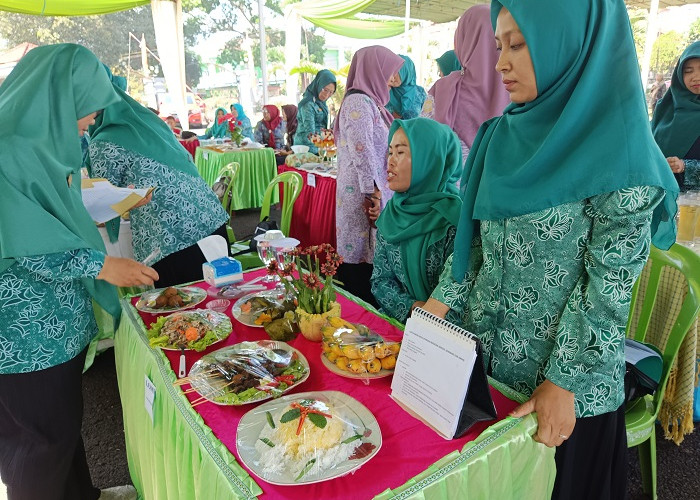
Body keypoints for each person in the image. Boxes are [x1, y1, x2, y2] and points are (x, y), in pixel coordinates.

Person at [421, 2, 678, 499]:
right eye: (499, 46)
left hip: (561, 397)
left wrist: (565, 381)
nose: (501, 63)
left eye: (519, 44)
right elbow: (472, 248)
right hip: (485, 374)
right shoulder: (500, 138)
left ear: (572, 44)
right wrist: (433, 311)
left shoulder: (620, 153)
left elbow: (608, 288)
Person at [0, 43, 158, 500]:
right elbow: (21, 239)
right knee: (37, 441)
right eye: (88, 108)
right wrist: (103, 265)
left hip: (53, 325)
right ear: (58, 97)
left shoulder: (40, 145)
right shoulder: (8, 149)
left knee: (61, 426)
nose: (92, 120)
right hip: (25, 336)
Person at [85, 74, 229, 288]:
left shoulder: (104, 142)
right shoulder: (151, 125)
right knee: (218, 300)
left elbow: (105, 204)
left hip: (171, 238)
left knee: (182, 312)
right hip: (211, 224)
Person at [371, 118, 461, 323]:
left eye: (400, 152)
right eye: (390, 152)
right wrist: (412, 308)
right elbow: (380, 281)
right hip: (398, 322)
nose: (390, 161)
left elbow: (462, 291)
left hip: (444, 337)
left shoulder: (454, 219)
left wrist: (431, 313)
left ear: (430, 159)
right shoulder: (392, 214)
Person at [333, 46, 404, 304]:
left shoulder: (370, 102)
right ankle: (359, 318)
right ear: (374, 70)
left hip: (367, 191)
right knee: (359, 261)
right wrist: (373, 193)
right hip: (362, 194)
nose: (392, 80)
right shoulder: (358, 102)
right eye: (389, 73)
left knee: (367, 256)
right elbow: (362, 151)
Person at [421, 5, 510, 162]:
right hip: (501, 183)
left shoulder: (443, 91)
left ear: (463, 39)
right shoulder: (521, 93)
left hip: (450, 185)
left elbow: (421, 143)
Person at [651, 41, 700, 191]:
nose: (695, 77)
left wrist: (686, 166)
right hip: (657, 195)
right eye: (687, 71)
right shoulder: (665, 108)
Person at [293, 69, 337, 154]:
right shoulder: (308, 104)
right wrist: (328, 142)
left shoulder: (321, 103)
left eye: (331, 92)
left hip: (318, 148)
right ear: (319, 85)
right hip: (305, 150)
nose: (327, 95)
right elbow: (311, 133)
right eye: (325, 90)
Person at [386, 55, 427, 120]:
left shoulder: (420, 92)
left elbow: (428, 117)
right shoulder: (385, 92)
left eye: (396, 72)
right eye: (391, 71)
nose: (392, 76)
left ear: (406, 71)